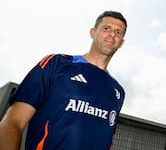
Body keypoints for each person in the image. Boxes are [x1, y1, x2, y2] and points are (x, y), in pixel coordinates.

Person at [0, 10, 127, 150]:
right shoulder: (57, 64)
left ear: (121, 42)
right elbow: (14, 121)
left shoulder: (118, 91)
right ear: (93, 32)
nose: (112, 34)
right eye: (106, 28)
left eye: (118, 32)